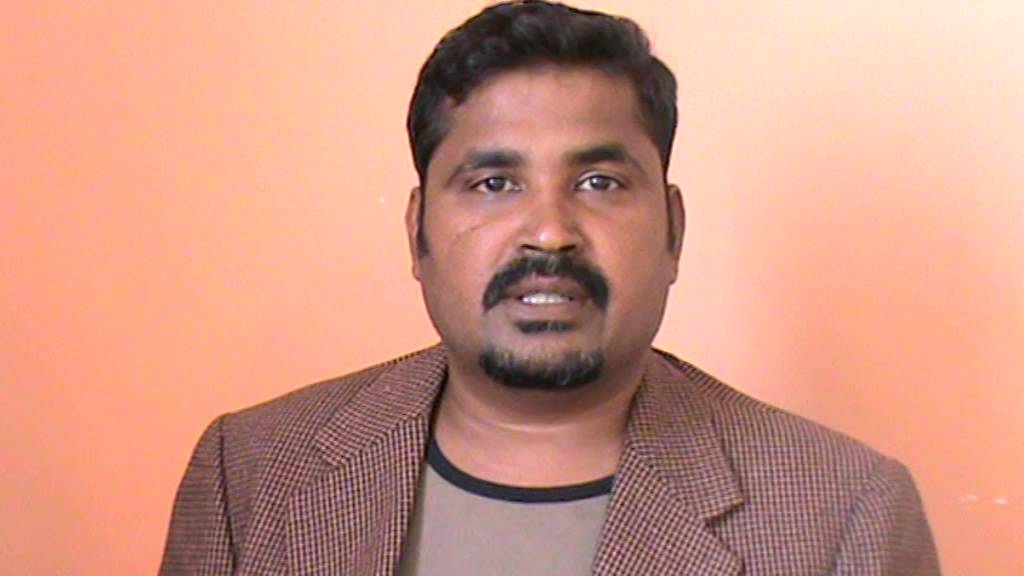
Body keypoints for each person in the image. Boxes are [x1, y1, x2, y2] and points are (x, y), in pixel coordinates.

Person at [160, 1, 940, 574]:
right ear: (417, 231)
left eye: (599, 181)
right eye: (494, 182)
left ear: (673, 230)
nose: (549, 232)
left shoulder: (842, 512)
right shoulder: (251, 473)